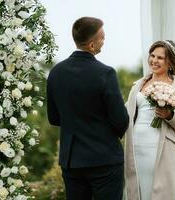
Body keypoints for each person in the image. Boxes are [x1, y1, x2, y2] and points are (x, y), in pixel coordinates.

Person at [47, 17, 129, 200]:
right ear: (91, 45)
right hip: (104, 160)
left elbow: (53, 117)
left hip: (72, 161)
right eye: (102, 38)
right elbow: (121, 121)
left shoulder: (55, 72)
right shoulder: (106, 73)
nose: (104, 41)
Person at [124, 40, 175, 200]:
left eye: (160, 58)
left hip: (160, 149)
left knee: (160, 191)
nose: (154, 61)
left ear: (170, 62)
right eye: (152, 56)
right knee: (139, 188)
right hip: (136, 146)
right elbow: (126, 111)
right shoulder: (138, 85)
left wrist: (169, 115)